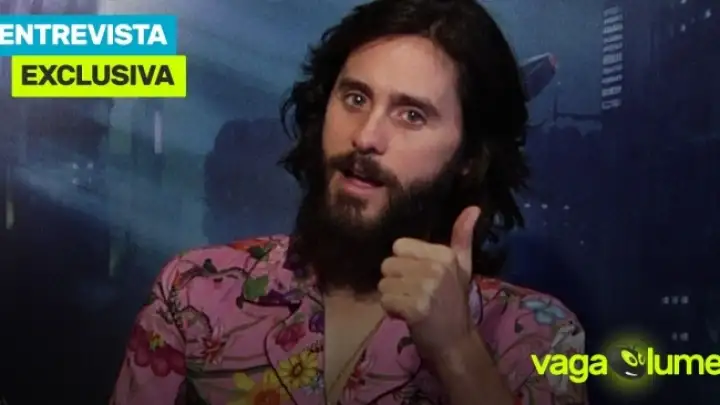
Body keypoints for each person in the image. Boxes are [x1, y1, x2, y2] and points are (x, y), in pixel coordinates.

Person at [110, 0, 587, 404]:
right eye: (356, 99)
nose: (366, 137)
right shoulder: (194, 291)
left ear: (469, 155)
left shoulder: (538, 334)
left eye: (412, 115)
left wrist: (457, 351)